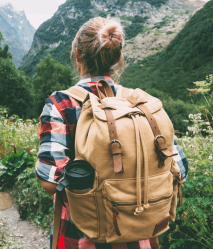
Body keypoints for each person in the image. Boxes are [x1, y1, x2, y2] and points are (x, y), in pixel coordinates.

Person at [34, 17, 189, 249]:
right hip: (140, 234)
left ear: (77, 55)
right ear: (117, 59)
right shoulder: (139, 104)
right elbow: (180, 169)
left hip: (81, 235)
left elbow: (49, 179)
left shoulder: (62, 103)